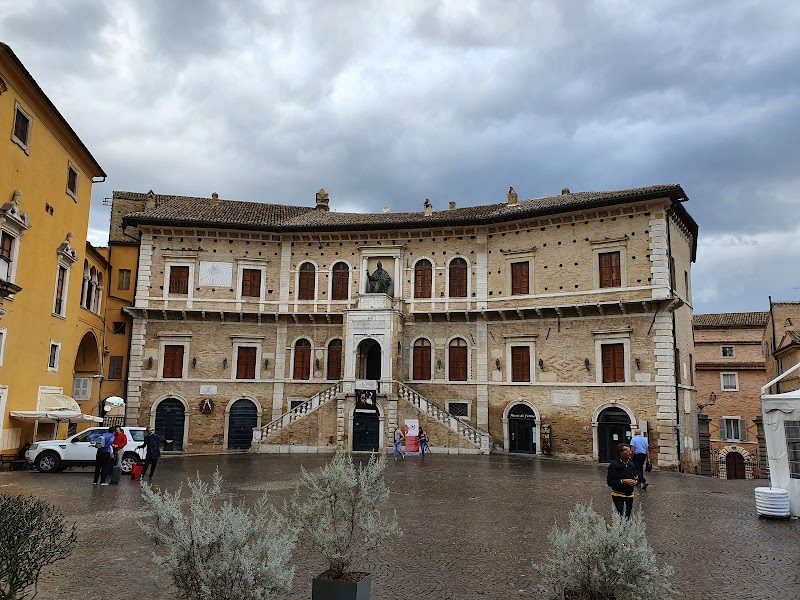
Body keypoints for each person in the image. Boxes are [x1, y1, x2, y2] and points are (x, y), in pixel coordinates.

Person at [607, 443, 638, 518]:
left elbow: (635, 476)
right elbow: (610, 482)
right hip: (618, 495)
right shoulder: (614, 465)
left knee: (627, 516)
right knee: (621, 515)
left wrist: (635, 481)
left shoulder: (631, 464)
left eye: (630, 451)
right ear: (621, 453)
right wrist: (623, 481)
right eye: (627, 451)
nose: (630, 453)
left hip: (630, 495)